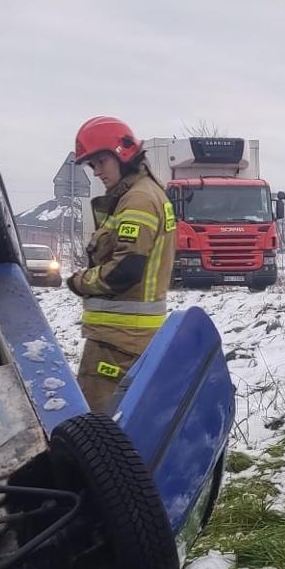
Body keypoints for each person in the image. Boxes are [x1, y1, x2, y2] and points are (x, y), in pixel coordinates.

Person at [65, 116, 177, 413]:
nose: (97, 172)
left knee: (96, 428)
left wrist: (80, 281)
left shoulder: (138, 199)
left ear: (122, 153)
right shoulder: (142, 192)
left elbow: (125, 269)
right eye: (92, 166)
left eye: (101, 161)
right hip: (127, 339)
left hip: (119, 343)